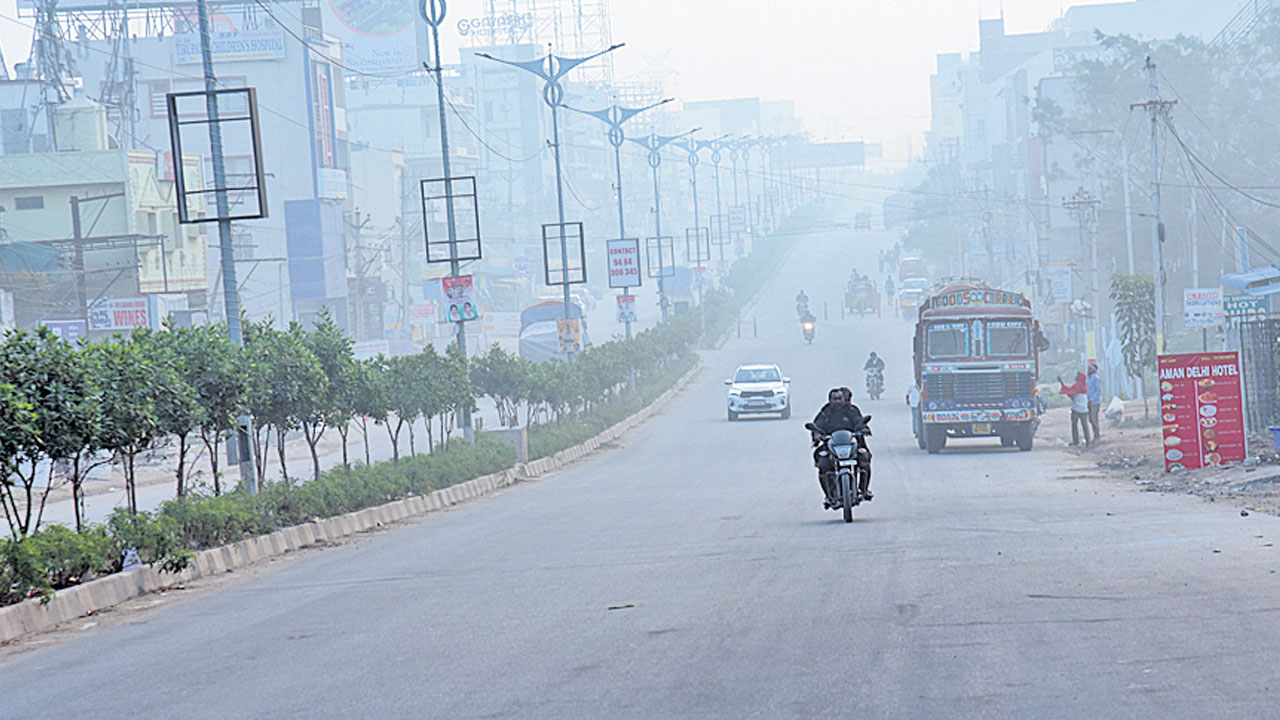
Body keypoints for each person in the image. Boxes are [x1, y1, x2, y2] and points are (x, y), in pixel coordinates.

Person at [811, 387, 873, 505]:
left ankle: (864, 489)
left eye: (840, 398)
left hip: (851, 444)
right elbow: (817, 424)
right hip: (831, 445)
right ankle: (828, 495)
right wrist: (817, 434)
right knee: (823, 464)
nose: (838, 401)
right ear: (830, 400)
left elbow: (858, 421)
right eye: (835, 399)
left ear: (844, 399)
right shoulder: (825, 412)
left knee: (864, 457)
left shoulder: (852, 410)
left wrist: (863, 428)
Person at [1058, 372, 1091, 446]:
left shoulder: (1077, 386)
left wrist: (1062, 383)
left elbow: (1069, 391)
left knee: (1074, 425)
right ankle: (1088, 441)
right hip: (1083, 409)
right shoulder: (1084, 386)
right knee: (1085, 426)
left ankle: (1076, 441)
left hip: (1076, 408)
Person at [1086, 362, 1102, 441]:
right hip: (1088, 401)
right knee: (1091, 419)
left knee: (1094, 418)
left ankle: (1097, 435)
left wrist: (1092, 399)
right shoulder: (1087, 379)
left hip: (1094, 402)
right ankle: (1095, 435)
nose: (1088, 370)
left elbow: (1098, 391)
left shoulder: (1096, 379)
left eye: (1090, 369)